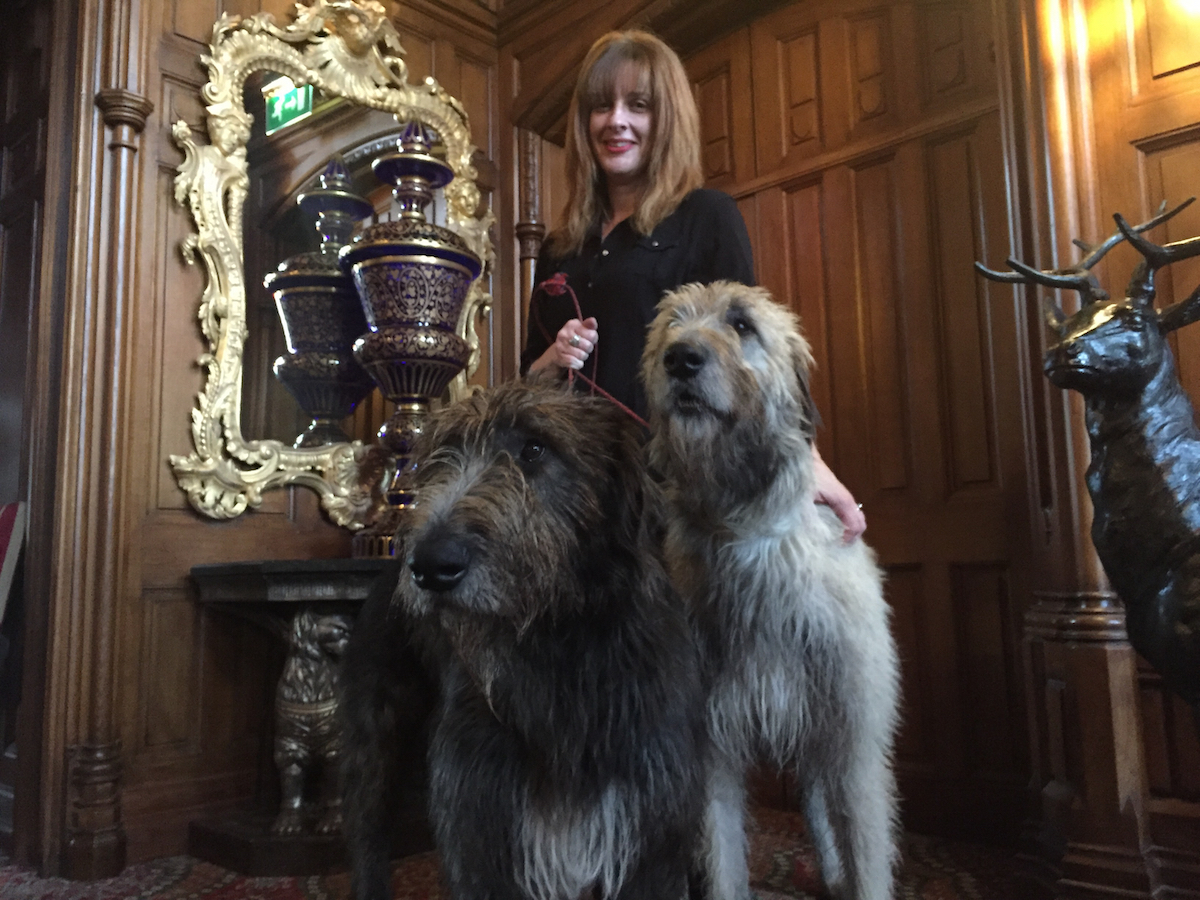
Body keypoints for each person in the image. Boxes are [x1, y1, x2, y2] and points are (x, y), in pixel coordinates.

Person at [520, 30, 866, 542]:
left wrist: (807, 461)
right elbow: (525, 376)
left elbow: (754, 355)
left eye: (638, 105)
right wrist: (548, 363)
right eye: (600, 106)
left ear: (666, 119)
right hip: (564, 497)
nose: (616, 120)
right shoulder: (556, 247)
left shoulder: (707, 216)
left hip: (668, 497)